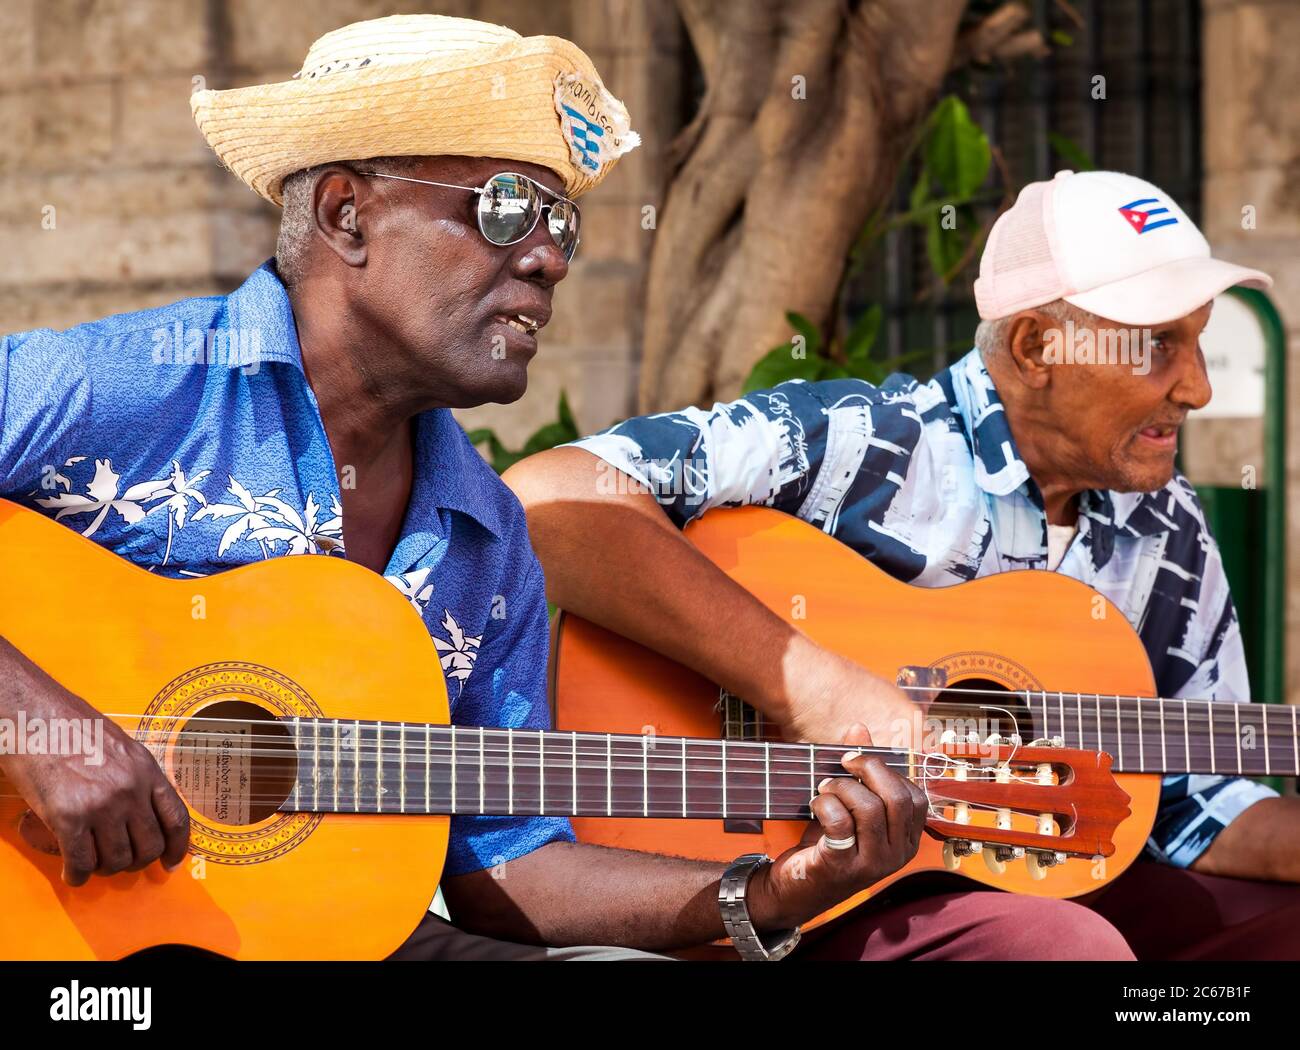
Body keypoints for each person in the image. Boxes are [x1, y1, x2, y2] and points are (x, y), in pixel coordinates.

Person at [0, 14, 928, 962]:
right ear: (345, 216)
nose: (551, 257)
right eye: (503, 208)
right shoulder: (141, 385)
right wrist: (32, 721)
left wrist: (766, 893)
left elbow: (510, 868)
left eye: (561, 221)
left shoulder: (485, 536)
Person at [507, 169, 1300, 959]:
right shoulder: (871, 444)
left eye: (1199, 340)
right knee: (1063, 949)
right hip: (810, 888)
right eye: (1160, 345)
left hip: (1027, 885)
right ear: (1035, 347)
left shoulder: (1167, 523)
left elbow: (1200, 795)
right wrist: (808, 686)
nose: (1194, 386)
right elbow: (549, 497)